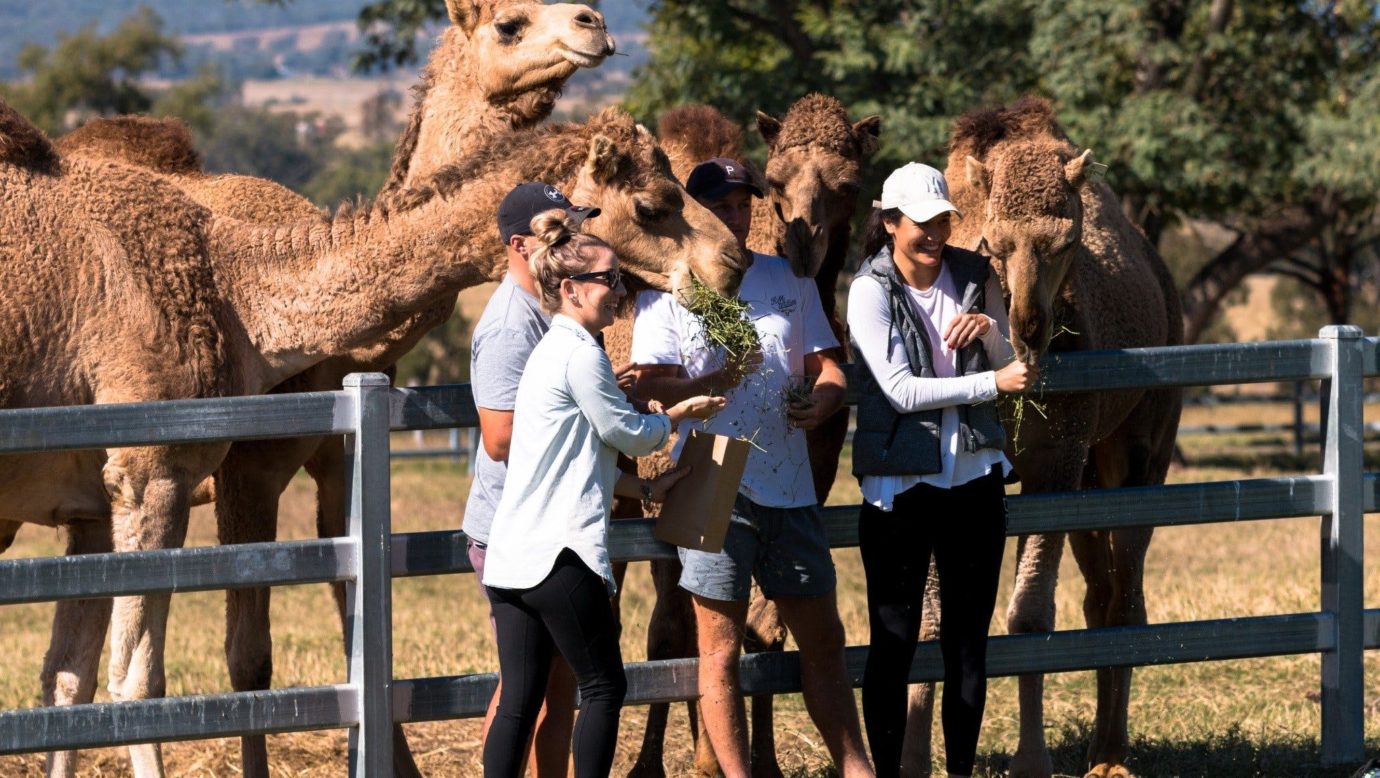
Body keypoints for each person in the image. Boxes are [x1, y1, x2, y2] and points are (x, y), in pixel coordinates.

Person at [631, 157, 874, 777]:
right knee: (718, 650)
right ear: (699, 213)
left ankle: (856, 767)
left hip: (788, 478)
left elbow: (828, 364)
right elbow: (648, 383)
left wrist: (824, 398)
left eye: (743, 205)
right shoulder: (672, 287)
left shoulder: (788, 281)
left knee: (823, 640)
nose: (735, 217)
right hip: (708, 473)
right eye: (722, 207)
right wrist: (715, 378)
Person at [482, 209, 725, 778]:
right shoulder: (581, 352)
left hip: (513, 558)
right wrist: (677, 417)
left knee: (519, 701)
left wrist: (641, 484)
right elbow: (624, 432)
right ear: (570, 289)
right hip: (559, 558)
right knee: (603, 685)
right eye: (609, 279)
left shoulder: (550, 350)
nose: (620, 291)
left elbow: (572, 459)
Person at [846, 162, 1036, 778]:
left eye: (942, 221)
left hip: (974, 482)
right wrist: (992, 380)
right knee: (893, 644)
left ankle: (959, 772)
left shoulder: (977, 276)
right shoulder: (869, 290)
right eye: (920, 223)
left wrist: (991, 332)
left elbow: (1017, 363)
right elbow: (900, 391)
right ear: (891, 223)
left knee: (967, 647)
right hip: (900, 490)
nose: (933, 234)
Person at [463, 181, 594, 776]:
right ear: (521, 244)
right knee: (525, 690)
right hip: (514, 529)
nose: (571, 240)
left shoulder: (546, 308)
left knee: (553, 684)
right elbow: (500, 436)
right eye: (557, 231)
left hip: (543, 524)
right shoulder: (510, 325)